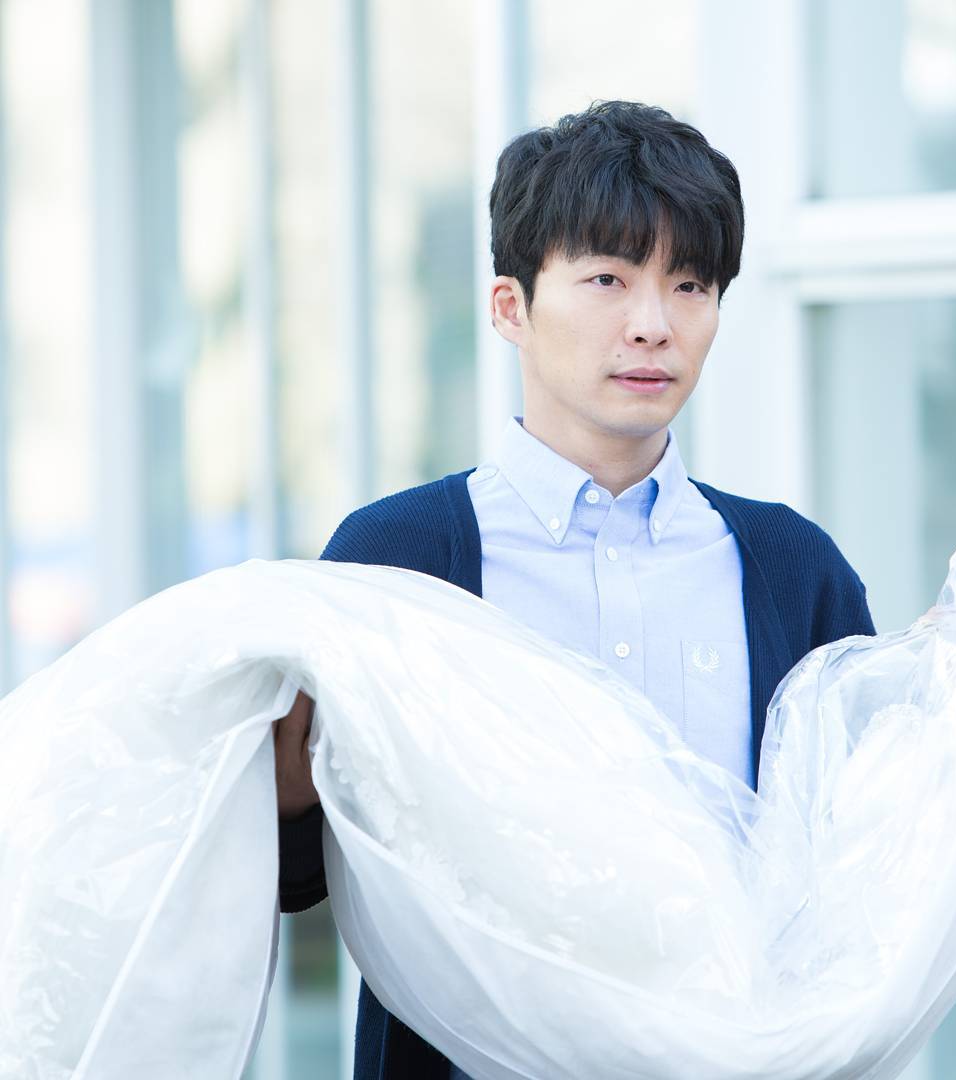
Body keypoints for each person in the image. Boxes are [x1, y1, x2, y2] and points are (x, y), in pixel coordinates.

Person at [273, 99, 875, 1080]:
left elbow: (858, 884)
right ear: (511, 307)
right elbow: (293, 878)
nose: (653, 325)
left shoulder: (793, 568)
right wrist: (289, 797)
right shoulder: (396, 558)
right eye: (607, 280)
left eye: (690, 285)